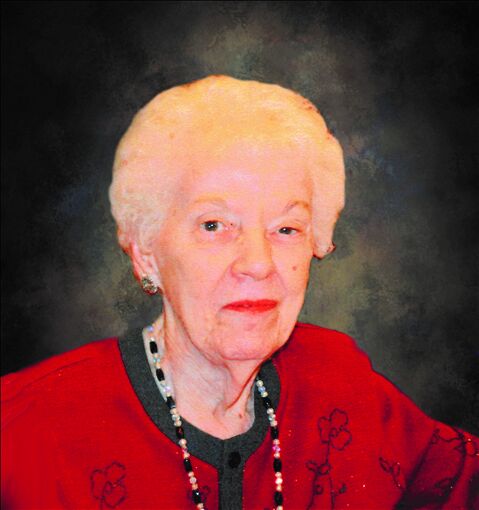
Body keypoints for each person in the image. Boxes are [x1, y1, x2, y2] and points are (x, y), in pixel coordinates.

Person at [1, 75, 477, 510]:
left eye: (286, 229)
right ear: (146, 253)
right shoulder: (27, 427)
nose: (258, 264)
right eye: (214, 225)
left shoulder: (340, 383)